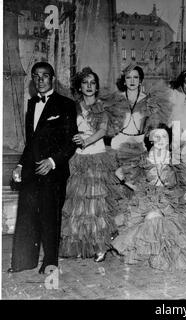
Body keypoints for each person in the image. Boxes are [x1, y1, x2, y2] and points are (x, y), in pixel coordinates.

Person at [8, 62, 78, 274]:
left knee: (50, 216)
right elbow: (31, 142)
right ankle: (23, 262)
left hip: (53, 171)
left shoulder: (66, 104)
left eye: (45, 76)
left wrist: (52, 162)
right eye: (36, 76)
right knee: (27, 216)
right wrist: (20, 165)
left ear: (52, 78)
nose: (40, 80)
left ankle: (50, 262)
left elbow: (71, 141)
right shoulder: (31, 104)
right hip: (31, 170)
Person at [111, 124, 186, 271]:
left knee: (158, 221)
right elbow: (119, 172)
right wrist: (136, 187)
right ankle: (155, 254)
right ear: (150, 139)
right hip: (147, 198)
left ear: (169, 139)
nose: (161, 139)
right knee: (151, 217)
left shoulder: (175, 158)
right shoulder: (143, 158)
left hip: (170, 199)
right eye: (156, 136)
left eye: (164, 136)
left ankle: (160, 255)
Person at [59, 67, 122, 262]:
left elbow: (103, 131)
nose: (89, 86)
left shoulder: (102, 106)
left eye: (92, 83)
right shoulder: (73, 106)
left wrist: (86, 140)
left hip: (97, 157)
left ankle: (100, 246)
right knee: (79, 204)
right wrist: (74, 138)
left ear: (96, 87)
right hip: (78, 158)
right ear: (79, 86)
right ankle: (80, 245)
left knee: (97, 204)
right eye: (85, 82)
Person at [104, 64, 159, 166]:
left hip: (138, 145)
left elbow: (152, 127)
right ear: (124, 81)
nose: (132, 81)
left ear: (140, 80)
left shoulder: (148, 101)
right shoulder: (116, 99)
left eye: (135, 77)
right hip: (118, 144)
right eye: (128, 77)